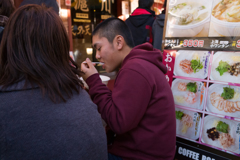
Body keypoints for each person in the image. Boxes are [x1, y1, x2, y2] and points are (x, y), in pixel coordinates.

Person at [0, 4, 107, 160]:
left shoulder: (6, 105)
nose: (97, 56)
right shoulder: (81, 99)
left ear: (9, 45)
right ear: (60, 47)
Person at [81, 17, 176, 160]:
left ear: (119, 42)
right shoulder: (138, 64)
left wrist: (94, 81)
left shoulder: (134, 69)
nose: (97, 56)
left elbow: (118, 121)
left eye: (99, 48)